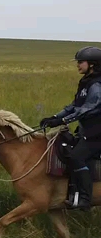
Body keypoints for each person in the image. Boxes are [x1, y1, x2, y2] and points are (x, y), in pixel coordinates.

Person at [39, 46, 101, 210]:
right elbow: (73, 106)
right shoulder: (86, 83)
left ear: (92, 64)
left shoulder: (97, 85)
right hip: (88, 132)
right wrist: (54, 117)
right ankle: (72, 194)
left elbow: (88, 108)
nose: (78, 65)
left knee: (76, 157)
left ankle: (86, 200)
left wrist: (63, 121)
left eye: (81, 62)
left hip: (97, 134)